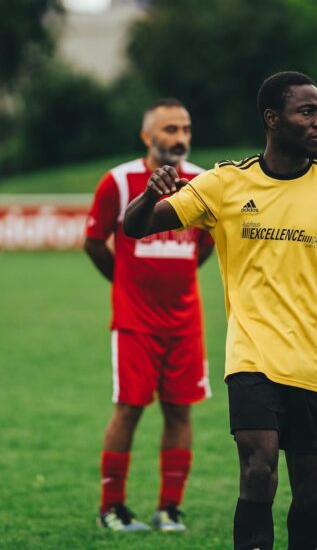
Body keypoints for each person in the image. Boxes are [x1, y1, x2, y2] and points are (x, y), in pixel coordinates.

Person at [122, 72, 317, 549]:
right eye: (307, 112)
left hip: (313, 362)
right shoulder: (224, 183)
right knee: (258, 468)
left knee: (311, 495)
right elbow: (136, 228)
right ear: (273, 119)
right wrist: (149, 195)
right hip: (251, 357)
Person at [84, 99, 215, 532]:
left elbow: (208, 243)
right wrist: (124, 284)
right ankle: (112, 509)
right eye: (170, 129)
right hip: (135, 322)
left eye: (186, 129)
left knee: (180, 411)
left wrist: (178, 280)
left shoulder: (200, 182)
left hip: (185, 321)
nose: (180, 138)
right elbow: (93, 240)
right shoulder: (118, 182)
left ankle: (169, 509)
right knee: (129, 410)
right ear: (147, 136)